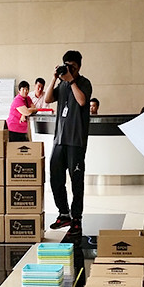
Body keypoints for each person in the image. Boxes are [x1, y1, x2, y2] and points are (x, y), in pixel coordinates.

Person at [46, 50, 93, 233]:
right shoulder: (62, 84)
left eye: (72, 66)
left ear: (79, 67)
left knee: (76, 181)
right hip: (59, 139)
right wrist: (54, 78)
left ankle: (77, 217)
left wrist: (71, 81)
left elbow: (82, 102)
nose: (69, 69)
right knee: (55, 177)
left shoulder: (84, 83)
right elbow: (48, 99)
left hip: (76, 141)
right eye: (66, 65)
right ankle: (64, 214)